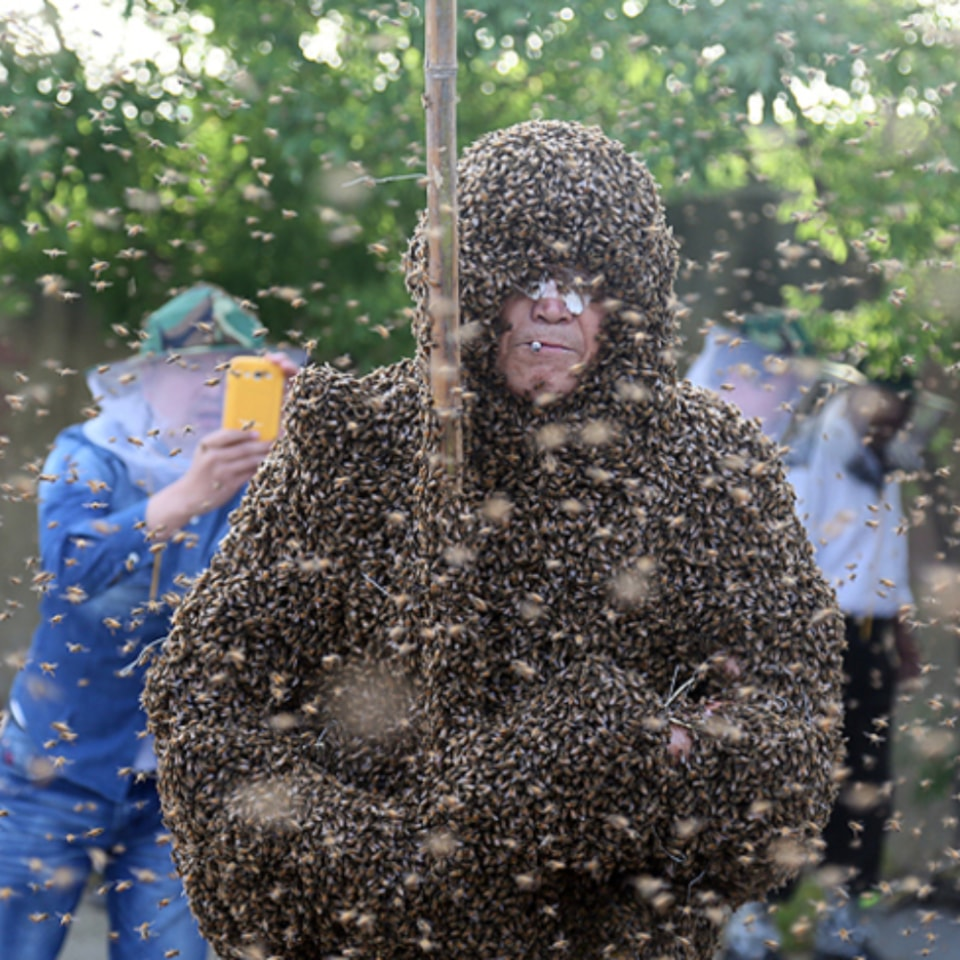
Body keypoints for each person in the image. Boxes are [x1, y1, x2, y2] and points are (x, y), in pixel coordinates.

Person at [144, 121, 844, 960]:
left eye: (585, 278)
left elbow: (797, 727)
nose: (554, 302)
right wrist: (377, 859)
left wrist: (658, 753)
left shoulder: (714, 467)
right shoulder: (359, 441)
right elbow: (205, 699)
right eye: (527, 274)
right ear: (469, 282)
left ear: (629, 297)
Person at [0, 283, 297, 960]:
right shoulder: (91, 452)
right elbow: (69, 568)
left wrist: (316, 423)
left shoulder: (273, 470)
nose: (207, 385)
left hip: (177, 787)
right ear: (150, 374)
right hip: (54, 767)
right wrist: (190, 495)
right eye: (190, 367)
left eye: (231, 370)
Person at [690, 329, 921, 960]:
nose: (893, 418)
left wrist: (901, 631)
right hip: (816, 633)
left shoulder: (880, 455)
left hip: (870, 638)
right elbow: (792, 559)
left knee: (868, 782)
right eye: (884, 404)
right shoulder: (811, 450)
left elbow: (887, 550)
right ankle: (753, 923)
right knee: (794, 777)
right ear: (860, 396)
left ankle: (843, 921)